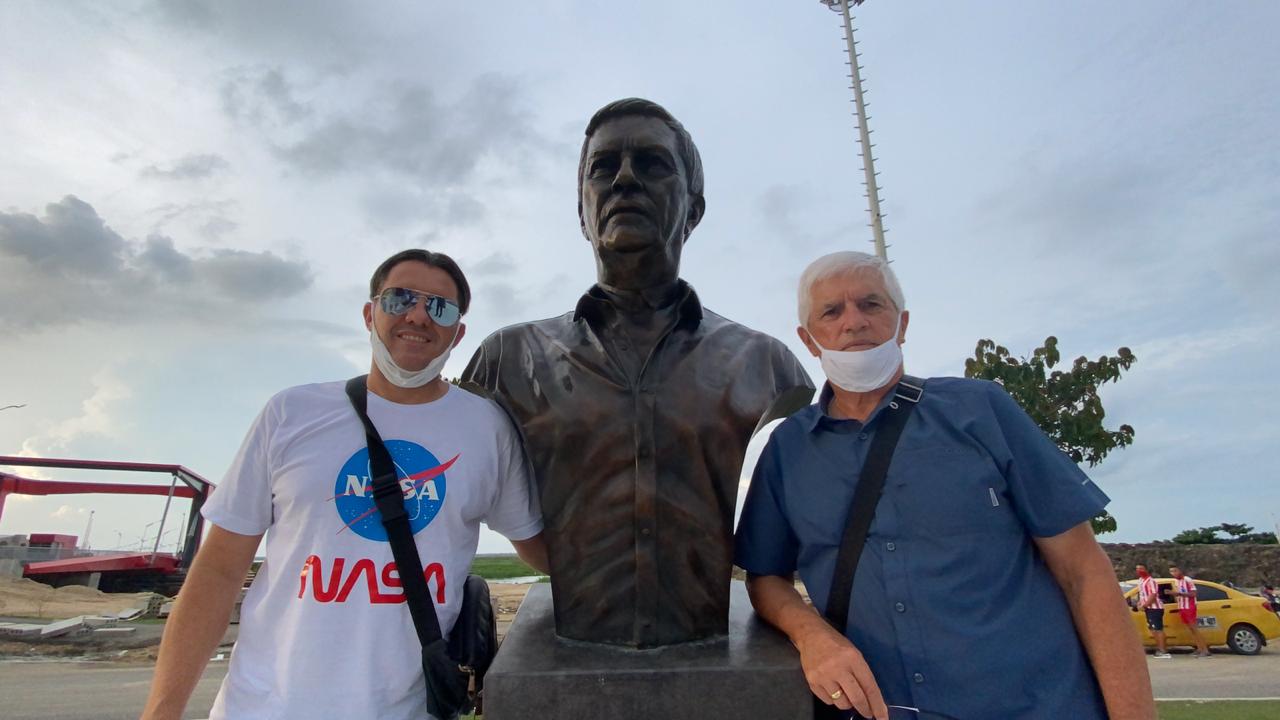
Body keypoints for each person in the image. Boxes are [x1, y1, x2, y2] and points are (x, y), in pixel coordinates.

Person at [734, 251, 1155, 720]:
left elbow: (1082, 570)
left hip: (1036, 706)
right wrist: (811, 635)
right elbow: (766, 576)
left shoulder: (980, 411)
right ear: (809, 340)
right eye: (831, 312)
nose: (854, 322)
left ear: (903, 323)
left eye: (871, 304)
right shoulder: (788, 450)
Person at [462, 98, 812, 647]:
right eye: (604, 168)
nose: (625, 180)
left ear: (693, 210)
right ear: (582, 211)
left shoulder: (763, 363)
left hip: (708, 640)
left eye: (652, 164)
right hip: (572, 639)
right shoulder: (509, 358)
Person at [141, 250, 548, 720]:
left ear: (457, 333)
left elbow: (536, 544)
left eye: (440, 306)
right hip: (263, 706)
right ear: (369, 313)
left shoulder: (487, 429)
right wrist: (161, 710)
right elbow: (216, 573)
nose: (417, 314)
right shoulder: (291, 414)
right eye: (401, 298)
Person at [1169, 565, 1212, 657]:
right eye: (1171, 572)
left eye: (1175, 571)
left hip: (1190, 606)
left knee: (1194, 628)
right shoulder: (1176, 582)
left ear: (1180, 570)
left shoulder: (1187, 580)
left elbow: (1193, 593)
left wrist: (1179, 593)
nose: (1174, 573)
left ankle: (1205, 649)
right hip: (1182, 606)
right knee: (1191, 629)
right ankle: (1199, 648)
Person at [1136, 564, 1172, 659]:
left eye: (1141, 568)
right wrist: (1140, 604)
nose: (1139, 570)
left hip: (1155, 608)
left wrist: (1145, 605)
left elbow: (1153, 594)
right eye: (1137, 569)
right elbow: (1142, 594)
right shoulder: (1140, 581)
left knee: (1158, 629)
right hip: (1148, 608)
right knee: (1152, 629)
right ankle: (1159, 648)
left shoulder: (1151, 581)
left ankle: (1163, 650)